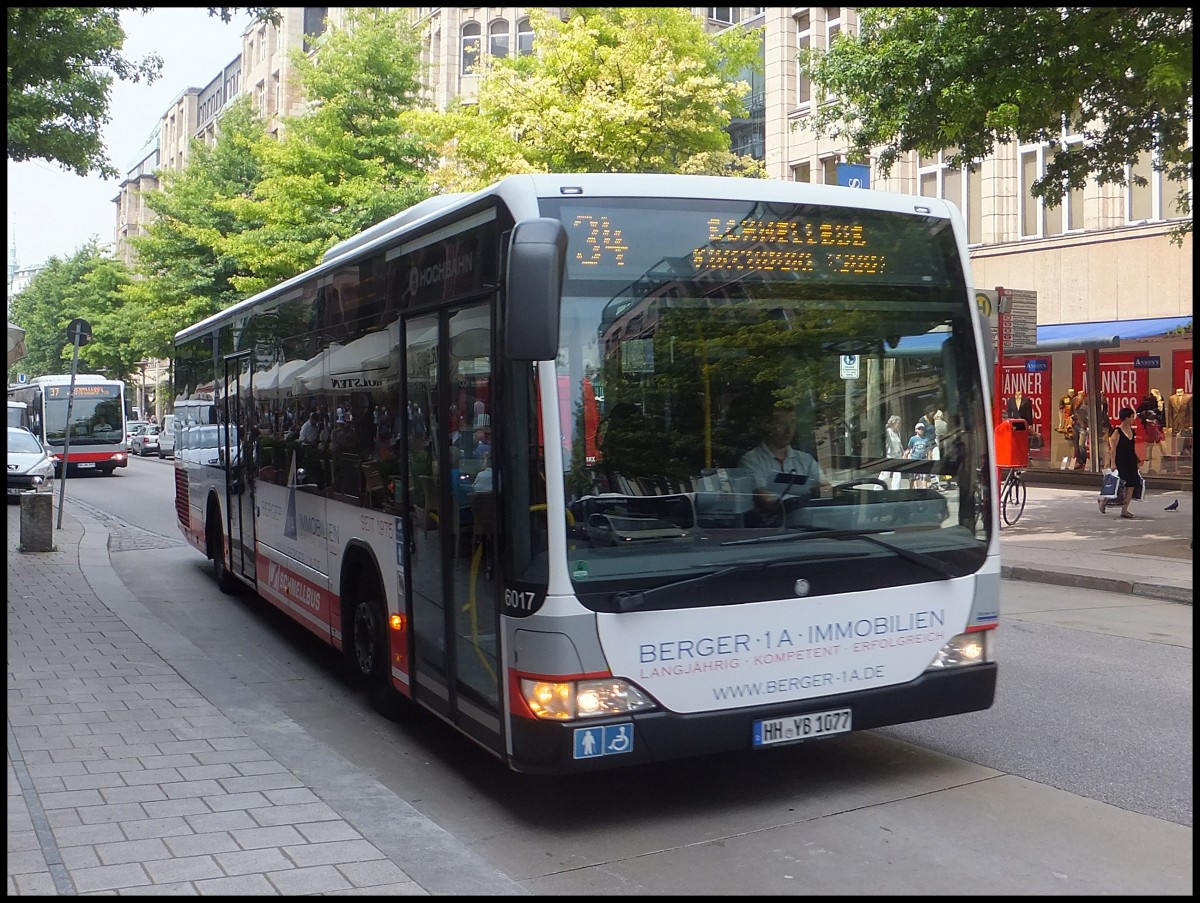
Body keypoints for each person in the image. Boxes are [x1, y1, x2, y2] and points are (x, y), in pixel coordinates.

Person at [738, 407, 824, 523]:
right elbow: (764, 498)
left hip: (809, 528)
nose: (789, 430)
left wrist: (821, 490)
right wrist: (806, 498)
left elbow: (825, 488)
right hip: (770, 529)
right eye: (782, 424)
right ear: (769, 426)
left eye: (793, 423)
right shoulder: (751, 460)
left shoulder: (805, 459)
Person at [1101, 407, 1141, 518]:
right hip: (1120, 460)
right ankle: (1104, 500)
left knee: (1132, 483)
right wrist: (1112, 463)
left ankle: (1125, 509)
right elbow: (1113, 449)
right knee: (1119, 484)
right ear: (1126, 418)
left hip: (1131, 460)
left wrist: (1137, 460)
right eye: (1132, 417)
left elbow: (1132, 447)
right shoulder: (1117, 432)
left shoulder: (1132, 431)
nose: (1133, 419)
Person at [904, 421, 935, 489]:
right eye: (919, 429)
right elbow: (909, 449)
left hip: (923, 460)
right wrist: (905, 457)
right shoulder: (913, 439)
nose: (921, 430)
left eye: (922, 429)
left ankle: (925, 491)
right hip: (914, 459)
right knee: (913, 478)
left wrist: (929, 460)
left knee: (924, 478)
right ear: (916, 430)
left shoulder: (926, 439)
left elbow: (928, 450)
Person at [881, 414, 904, 489]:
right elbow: (882, 432)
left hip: (898, 455)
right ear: (893, 423)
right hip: (890, 454)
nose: (899, 424)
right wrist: (888, 424)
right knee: (886, 473)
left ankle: (895, 489)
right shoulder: (888, 432)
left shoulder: (897, 432)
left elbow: (899, 443)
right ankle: (878, 488)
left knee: (897, 474)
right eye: (898, 423)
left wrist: (902, 451)